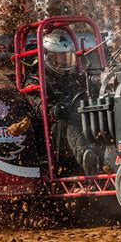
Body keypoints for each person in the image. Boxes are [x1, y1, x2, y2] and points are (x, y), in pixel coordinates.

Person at [25, 30, 99, 175]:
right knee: (67, 119)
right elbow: (38, 107)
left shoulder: (77, 77)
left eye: (67, 57)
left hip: (84, 120)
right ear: (48, 58)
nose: (64, 62)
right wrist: (54, 110)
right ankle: (86, 156)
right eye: (60, 58)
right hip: (52, 132)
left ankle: (115, 155)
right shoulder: (35, 81)